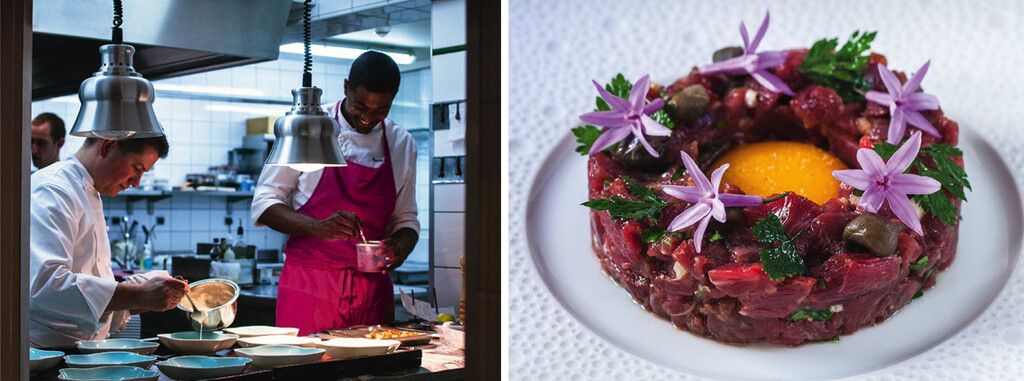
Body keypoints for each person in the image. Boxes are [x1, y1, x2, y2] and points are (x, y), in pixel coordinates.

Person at [252, 51, 420, 335]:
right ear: (346, 88)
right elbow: (265, 202)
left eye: (381, 110)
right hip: (309, 287)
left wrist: (399, 248)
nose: (368, 118)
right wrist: (318, 227)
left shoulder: (402, 143)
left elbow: (407, 220)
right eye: (361, 107)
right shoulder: (308, 128)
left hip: (371, 293)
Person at [29, 135, 188, 348]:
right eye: (137, 167)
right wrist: (137, 294)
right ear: (107, 146)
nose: (136, 182)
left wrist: (136, 299)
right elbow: (46, 285)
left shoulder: (90, 189)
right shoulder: (54, 189)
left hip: (82, 351)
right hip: (46, 355)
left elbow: (88, 282)